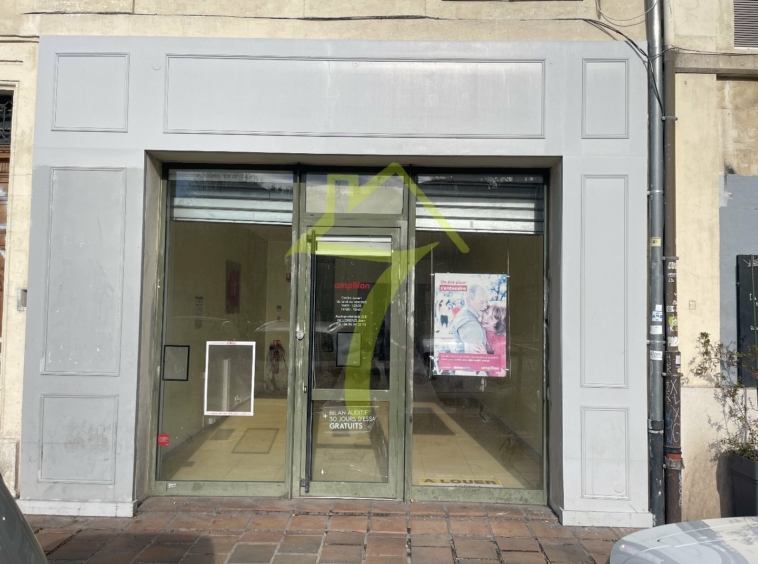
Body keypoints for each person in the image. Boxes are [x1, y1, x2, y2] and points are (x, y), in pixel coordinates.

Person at [451, 285, 489, 353]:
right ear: (468, 301)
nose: (485, 306)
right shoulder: (471, 324)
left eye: (486, 302)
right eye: (482, 302)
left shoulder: (464, 315)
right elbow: (475, 357)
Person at [481, 302, 507, 377]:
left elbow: (501, 371)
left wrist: (485, 356)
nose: (485, 318)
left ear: (497, 323)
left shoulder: (499, 340)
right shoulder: (482, 328)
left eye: (491, 318)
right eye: (486, 312)